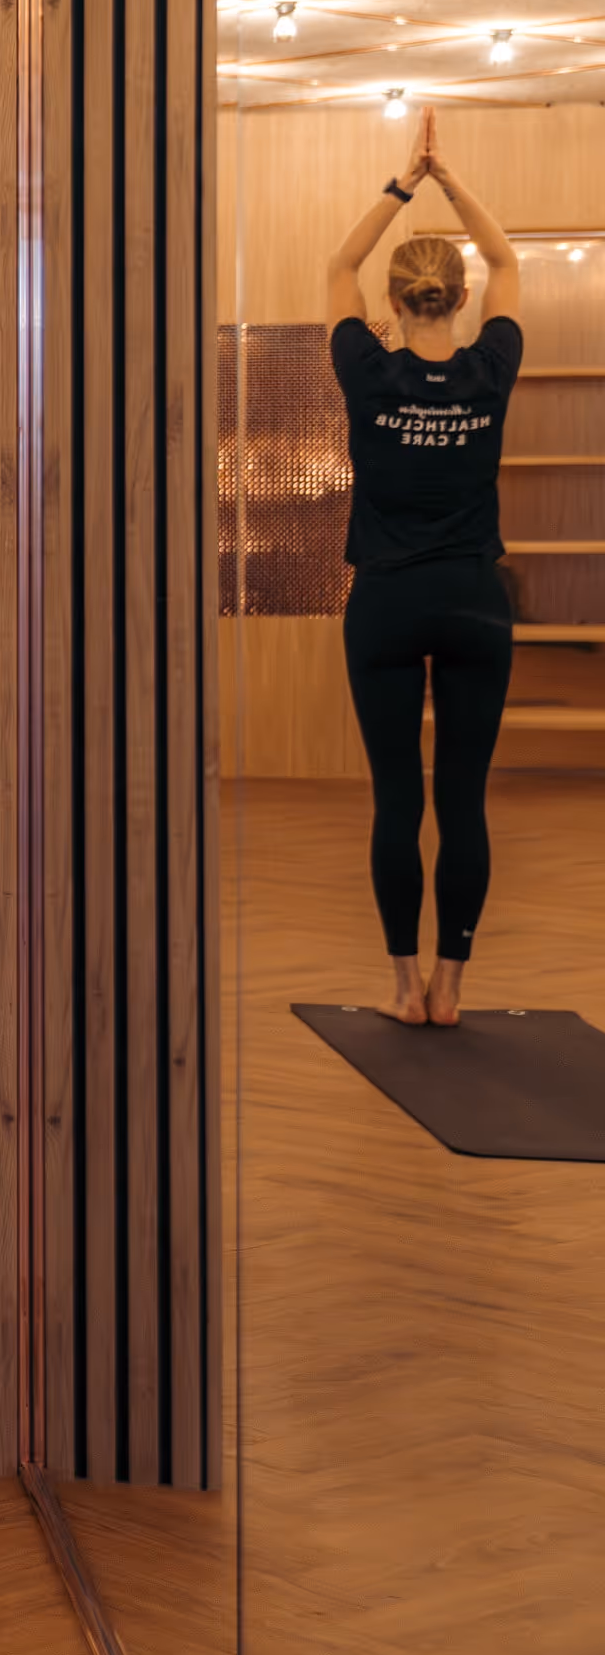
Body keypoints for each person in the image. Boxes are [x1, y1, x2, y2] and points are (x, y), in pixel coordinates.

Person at [324, 107, 522, 1029]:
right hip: (477, 604)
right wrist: (450, 183)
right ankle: (453, 988)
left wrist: (405, 182)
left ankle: (403, 985)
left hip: (389, 607)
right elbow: (509, 261)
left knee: (399, 798)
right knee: (464, 799)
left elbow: (337, 267)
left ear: (395, 303)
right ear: (455, 298)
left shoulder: (369, 372)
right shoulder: (491, 368)